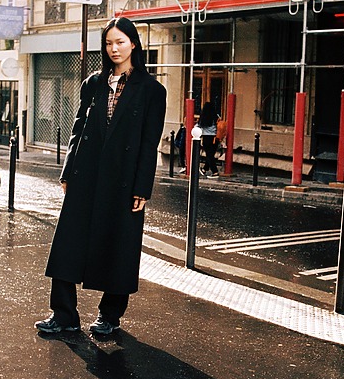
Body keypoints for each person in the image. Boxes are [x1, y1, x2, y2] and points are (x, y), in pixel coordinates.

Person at [35, 17, 167, 335]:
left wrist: (142, 187)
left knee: (119, 247)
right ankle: (64, 315)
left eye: (120, 42)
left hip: (123, 181)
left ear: (133, 43)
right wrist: (68, 171)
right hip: (86, 176)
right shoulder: (93, 83)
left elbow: (149, 143)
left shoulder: (152, 90)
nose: (114, 49)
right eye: (108, 43)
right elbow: (78, 129)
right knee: (67, 245)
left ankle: (110, 316)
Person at [198, 101, 220, 177]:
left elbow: (199, 126)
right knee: (211, 154)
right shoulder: (216, 116)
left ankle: (215, 171)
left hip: (207, 137)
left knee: (209, 155)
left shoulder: (204, 117)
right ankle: (205, 169)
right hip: (215, 138)